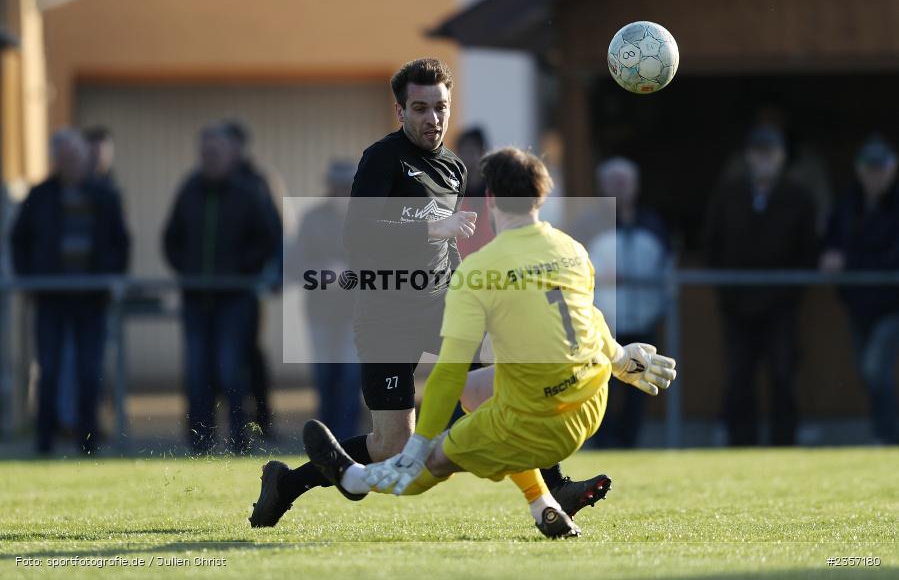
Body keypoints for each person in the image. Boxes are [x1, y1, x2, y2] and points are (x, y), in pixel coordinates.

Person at [250, 58, 610, 528]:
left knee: (504, 385)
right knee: (391, 446)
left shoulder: (455, 168)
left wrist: (468, 287)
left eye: (440, 107)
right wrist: (430, 227)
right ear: (400, 112)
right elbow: (356, 235)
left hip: (440, 305)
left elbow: (449, 245)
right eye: (420, 108)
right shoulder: (382, 158)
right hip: (385, 316)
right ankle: (286, 484)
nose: (432, 118)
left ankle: (552, 490)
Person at [301, 147, 677, 539]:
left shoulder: (479, 269)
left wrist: (418, 445)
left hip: (534, 421)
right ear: (542, 195)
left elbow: (448, 371)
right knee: (477, 389)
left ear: (491, 198)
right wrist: (621, 358)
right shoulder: (572, 250)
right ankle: (545, 505)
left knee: (431, 462)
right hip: (589, 406)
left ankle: (354, 478)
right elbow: (589, 322)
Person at [11, 128, 130, 454]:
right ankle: (45, 442)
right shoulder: (40, 195)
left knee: (89, 372)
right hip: (50, 297)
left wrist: (110, 279)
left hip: (91, 298)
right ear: (56, 160)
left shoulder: (104, 195)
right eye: (64, 157)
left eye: (76, 156)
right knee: (48, 370)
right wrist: (28, 279)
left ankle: (87, 441)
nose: (71, 163)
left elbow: (121, 243)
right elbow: (19, 239)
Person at [163, 123, 279, 454]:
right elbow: (171, 238)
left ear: (231, 155)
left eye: (216, 151)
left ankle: (240, 440)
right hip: (196, 299)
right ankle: (199, 441)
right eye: (205, 152)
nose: (210, 158)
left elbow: (268, 237)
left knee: (232, 372)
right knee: (197, 372)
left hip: (235, 300)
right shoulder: (189, 190)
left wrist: (243, 269)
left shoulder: (248, 191)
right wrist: (187, 269)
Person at [705, 125, 818, 446]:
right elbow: (712, 243)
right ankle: (741, 442)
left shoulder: (798, 196)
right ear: (748, 156)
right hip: (737, 303)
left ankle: (785, 441)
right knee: (739, 373)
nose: (764, 159)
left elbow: (808, 250)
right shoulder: (729, 192)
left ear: (782, 157)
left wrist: (789, 292)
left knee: (783, 372)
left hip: (781, 304)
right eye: (758, 152)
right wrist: (727, 292)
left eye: (770, 152)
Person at [820, 136, 899, 445]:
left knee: (874, 368)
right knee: (868, 373)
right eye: (869, 168)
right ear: (859, 169)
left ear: (893, 168)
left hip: (892, 305)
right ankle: (883, 433)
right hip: (858, 305)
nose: (875, 174)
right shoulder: (849, 204)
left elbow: (891, 258)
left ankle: (887, 436)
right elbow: (830, 241)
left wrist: (848, 261)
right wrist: (828, 256)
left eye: (881, 167)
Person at [588, 157, 670, 448]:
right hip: (602, 324)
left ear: (636, 186)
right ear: (602, 186)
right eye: (613, 182)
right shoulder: (588, 224)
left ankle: (630, 443)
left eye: (625, 182)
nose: (620, 188)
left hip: (642, 320)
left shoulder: (652, 224)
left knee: (639, 383)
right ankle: (604, 443)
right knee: (601, 384)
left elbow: (665, 269)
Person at [293, 159, 362, 440]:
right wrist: (323, 274)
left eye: (347, 186)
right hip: (321, 312)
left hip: (356, 313)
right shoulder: (312, 219)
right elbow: (297, 265)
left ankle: (347, 440)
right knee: (325, 378)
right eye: (338, 186)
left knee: (350, 379)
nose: (342, 192)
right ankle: (324, 438)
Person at [223, 119, 282, 440]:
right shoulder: (208, 181)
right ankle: (230, 423)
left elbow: (276, 229)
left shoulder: (258, 181)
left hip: (248, 285)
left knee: (250, 353)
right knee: (226, 358)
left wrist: (273, 273)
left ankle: (262, 420)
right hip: (219, 288)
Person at [455, 127, 493, 258]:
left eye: (470, 152)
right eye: (462, 153)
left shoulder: (497, 191)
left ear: (483, 153)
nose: (465, 158)